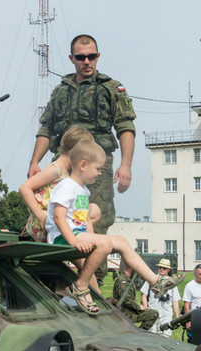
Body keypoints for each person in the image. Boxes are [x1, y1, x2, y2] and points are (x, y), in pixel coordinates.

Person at [44, 138, 179, 315]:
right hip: (63, 237)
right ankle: (80, 286)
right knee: (106, 244)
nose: (100, 173)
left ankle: (155, 282)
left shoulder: (83, 190)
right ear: (83, 165)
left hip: (78, 234)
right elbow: (58, 217)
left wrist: (93, 238)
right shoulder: (66, 186)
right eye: (98, 169)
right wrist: (74, 241)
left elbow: (82, 222)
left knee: (121, 241)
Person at [28, 34, 136, 244]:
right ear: (72, 58)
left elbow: (126, 127)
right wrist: (35, 162)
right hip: (63, 163)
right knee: (55, 217)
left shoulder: (111, 88)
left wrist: (126, 165)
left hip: (97, 164)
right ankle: (57, 275)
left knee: (95, 218)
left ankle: (92, 274)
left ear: (98, 56)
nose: (86, 61)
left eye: (91, 56)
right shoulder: (61, 91)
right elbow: (46, 128)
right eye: (80, 57)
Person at [20, 126, 99, 243]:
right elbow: (25, 188)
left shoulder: (66, 173)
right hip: (46, 222)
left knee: (95, 210)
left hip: (59, 218)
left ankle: (85, 235)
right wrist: (41, 217)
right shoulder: (55, 169)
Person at [141, 258, 182, 337]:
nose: (161, 269)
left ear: (168, 270)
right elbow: (144, 294)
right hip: (152, 311)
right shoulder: (152, 279)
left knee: (165, 336)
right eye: (160, 267)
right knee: (150, 334)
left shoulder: (172, 282)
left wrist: (177, 316)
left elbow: (175, 300)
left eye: (164, 268)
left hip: (166, 313)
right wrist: (145, 307)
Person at [114, 259, 158, 330]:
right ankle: (138, 333)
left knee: (153, 314)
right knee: (153, 314)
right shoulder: (123, 280)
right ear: (130, 267)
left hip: (130, 311)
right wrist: (138, 307)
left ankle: (140, 332)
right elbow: (126, 300)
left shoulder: (129, 280)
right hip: (124, 312)